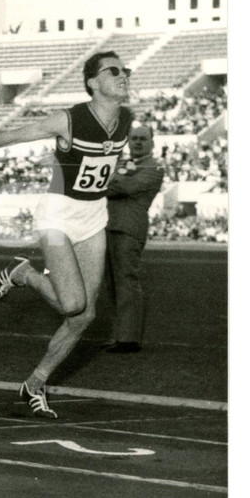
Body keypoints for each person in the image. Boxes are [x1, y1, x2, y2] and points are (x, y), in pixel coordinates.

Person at [0, 51, 133, 419]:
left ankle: (34, 384)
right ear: (93, 82)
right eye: (114, 71)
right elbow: (12, 136)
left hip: (93, 217)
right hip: (57, 215)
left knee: (84, 317)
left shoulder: (126, 120)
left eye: (126, 71)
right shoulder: (68, 119)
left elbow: (100, 167)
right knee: (73, 304)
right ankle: (24, 272)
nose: (124, 76)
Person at [103, 124, 164, 353]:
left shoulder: (153, 166)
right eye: (134, 138)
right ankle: (118, 335)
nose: (138, 142)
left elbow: (124, 187)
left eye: (143, 138)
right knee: (113, 284)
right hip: (110, 227)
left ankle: (128, 339)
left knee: (126, 281)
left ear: (152, 142)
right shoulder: (126, 164)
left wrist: (104, 181)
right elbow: (114, 184)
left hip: (129, 229)